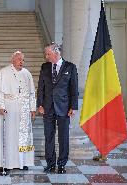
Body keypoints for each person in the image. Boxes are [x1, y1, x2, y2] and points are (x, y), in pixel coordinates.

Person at [0, 51, 36, 175]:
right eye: (19, 59)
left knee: (23, 136)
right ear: (12, 60)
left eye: (23, 60)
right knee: (9, 136)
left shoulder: (27, 73)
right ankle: (7, 163)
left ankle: (23, 162)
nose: (21, 61)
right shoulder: (2, 72)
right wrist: (0, 106)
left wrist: (33, 108)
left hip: (24, 109)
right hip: (9, 108)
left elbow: (32, 94)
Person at [37, 43, 78, 174]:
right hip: (48, 107)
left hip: (64, 107)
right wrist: (40, 104)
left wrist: (73, 106)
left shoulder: (70, 67)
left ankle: (61, 164)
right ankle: (50, 164)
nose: (46, 56)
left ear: (56, 53)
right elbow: (41, 87)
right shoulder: (44, 67)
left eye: (48, 53)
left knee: (63, 137)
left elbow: (74, 88)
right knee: (48, 136)